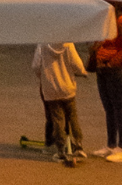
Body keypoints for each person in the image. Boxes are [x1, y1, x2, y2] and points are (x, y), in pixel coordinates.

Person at [30, 40, 85, 168]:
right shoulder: (68, 44)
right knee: (72, 117)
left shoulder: (42, 45)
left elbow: (36, 66)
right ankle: (78, 146)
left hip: (51, 89)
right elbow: (77, 63)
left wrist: (43, 76)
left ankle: (60, 150)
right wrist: (82, 72)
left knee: (58, 120)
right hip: (67, 87)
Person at [88, 2, 122, 162]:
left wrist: (111, 62)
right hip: (103, 70)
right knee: (109, 109)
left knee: (119, 107)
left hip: (114, 70)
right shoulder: (105, 22)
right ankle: (111, 145)